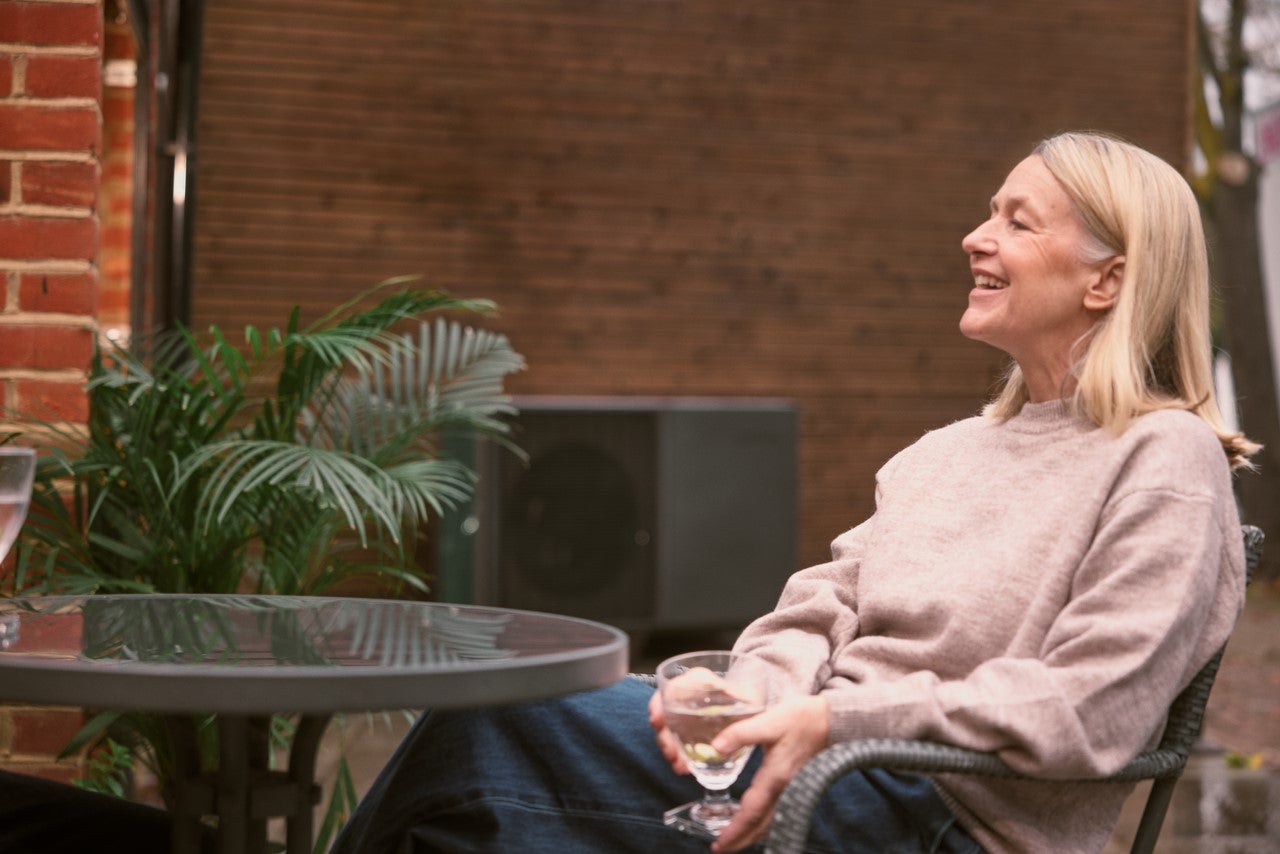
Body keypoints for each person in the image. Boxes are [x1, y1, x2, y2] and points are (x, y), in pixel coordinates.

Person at [329, 130, 1257, 854]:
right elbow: (816, 609)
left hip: (942, 816)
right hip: (818, 763)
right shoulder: (948, 450)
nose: (975, 238)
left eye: (1019, 221)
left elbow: (1084, 708)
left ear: (1109, 278)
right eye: (989, 213)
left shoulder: (1166, 458)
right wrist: (752, 702)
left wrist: (835, 718)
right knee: (473, 810)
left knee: (493, 720)